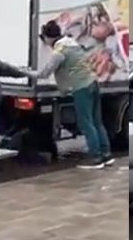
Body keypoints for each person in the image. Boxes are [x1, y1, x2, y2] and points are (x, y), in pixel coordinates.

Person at [27, 20, 114, 170]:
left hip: (81, 87)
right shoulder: (71, 43)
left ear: (48, 38)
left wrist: (25, 72)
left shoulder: (59, 52)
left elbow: (44, 73)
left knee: (86, 123)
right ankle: (106, 155)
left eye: (44, 38)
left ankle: (96, 158)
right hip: (93, 83)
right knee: (97, 121)